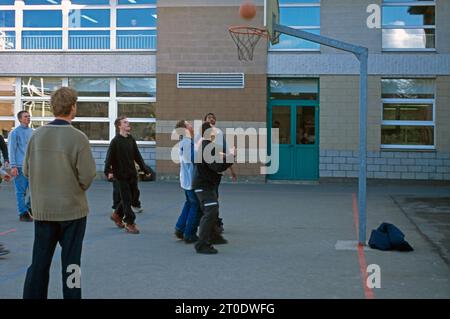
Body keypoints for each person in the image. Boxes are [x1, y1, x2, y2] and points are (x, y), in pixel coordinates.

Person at [23, 87, 97, 299]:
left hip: (44, 211)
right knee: (72, 264)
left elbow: (27, 170)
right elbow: (87, 175)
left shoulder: (36, 136)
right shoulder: (78, 138)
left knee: (39, 263)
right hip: (72, 211)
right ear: (72, 106)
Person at [193, 122, 236, 254]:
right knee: (211, 210)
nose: (216, 131)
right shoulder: (207, 147)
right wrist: (230, 157)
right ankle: (202, 244)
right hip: (203, 185)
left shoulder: (208, 146)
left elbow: (216, 158)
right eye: (213, 129)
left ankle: (214, 236)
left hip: (208, 184)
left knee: (212, 211)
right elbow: (217, 167)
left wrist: (226, 155)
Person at [104, 116, 152, 234]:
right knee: (126, 199)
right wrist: (108, 172)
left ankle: (116, 215)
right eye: (125, 122)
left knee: (132, 196)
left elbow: (137, 156)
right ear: (119, 126)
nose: (128, 124)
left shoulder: (131, 139)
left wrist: (145, 169)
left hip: (132, 174)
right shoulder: (115, 142)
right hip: (120, 175)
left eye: (128, 122)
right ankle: (130, 223)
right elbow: (109, 158)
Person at [203, 113, 237, 234]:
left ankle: (215, 223)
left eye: (213, 117)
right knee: (209, 200)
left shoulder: (219, 134)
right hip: (205, 173)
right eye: (209, 117)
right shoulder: (201, 136)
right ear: (205, 121)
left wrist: (232, 170)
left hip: (216, 171)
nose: (212, 119)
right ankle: (212, 223)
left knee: (214, 198)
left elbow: (225, 152)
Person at [174, 120, 200, 243]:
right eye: (188, 124)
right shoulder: (187, 143)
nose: (191, 125)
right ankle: (189, 234)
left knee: (189, 203)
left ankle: (180, 228)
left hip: (186, 180)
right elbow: (194, 159)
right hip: (191, 180)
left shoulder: (185, 142)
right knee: (196, 206)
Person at [8, 111, 33, 222]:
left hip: (31, 166)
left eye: (29, 116)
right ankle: (23, 213)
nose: (28, 118)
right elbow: (11, 150)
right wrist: (13, 166)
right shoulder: (15, 133)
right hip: (19, 166)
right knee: (21, 191)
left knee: (34, 190)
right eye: (25, 116)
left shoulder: (32, 132)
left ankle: (28, 208)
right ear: (20, 119)